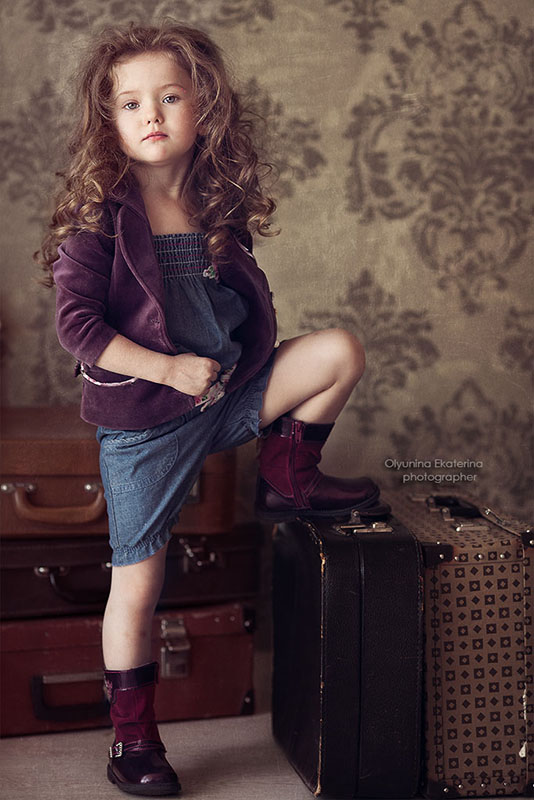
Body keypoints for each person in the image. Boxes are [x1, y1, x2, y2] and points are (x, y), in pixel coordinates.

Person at [37, 20, 384, 797]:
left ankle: (287, 477)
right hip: (146, 426)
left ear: (204, 108)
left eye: (169, 97)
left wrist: (231, 366)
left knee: (339, 351)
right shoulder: (100, 218)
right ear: (108, 122)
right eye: (131, 103)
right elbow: (78, 330)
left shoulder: (213, 207)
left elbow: (227, 310)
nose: (151, 114)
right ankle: (132, 742)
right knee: (138, 582)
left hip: (221, 397)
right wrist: (166, 367)